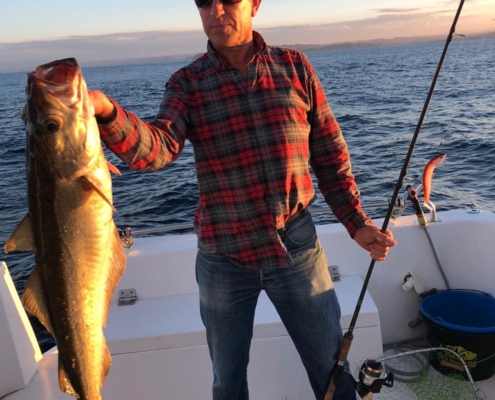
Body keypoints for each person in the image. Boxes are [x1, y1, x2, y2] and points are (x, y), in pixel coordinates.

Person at [90, 0, 396, 399]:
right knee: (227, 381)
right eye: (204, 2)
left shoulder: (295, 66)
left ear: (254, 5)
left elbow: (329, 154)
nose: (216, 10)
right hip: (223, 258)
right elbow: (158, 149)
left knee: (330, 369)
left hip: (296, 247)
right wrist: (107, 112)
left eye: (229, 0)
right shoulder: (186, 83)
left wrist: (356, 223)